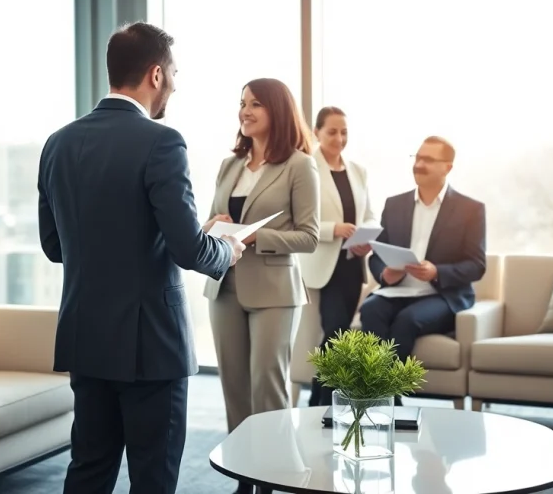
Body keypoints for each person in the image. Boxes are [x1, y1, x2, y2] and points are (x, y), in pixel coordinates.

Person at [38, 21, 246, 494]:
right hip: (150, 346)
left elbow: (55, 247)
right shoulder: (162, 142)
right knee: (153, 477)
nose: (175, 83)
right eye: (173, 72)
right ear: (155, 74)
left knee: (89, 469)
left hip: (86, 337)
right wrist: (227, 250)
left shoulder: (58, 143)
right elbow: (189, 248)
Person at [202, 78, 320, 494]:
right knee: (234, 385)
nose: (245, 111)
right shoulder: (229, 165)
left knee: (266, 384)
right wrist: (214, 228)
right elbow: (214, 219)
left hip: (273, 291)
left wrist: (254, 237)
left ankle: (271, 476)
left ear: (278, 111)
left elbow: (309, 236)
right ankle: (245, 476)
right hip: (224, 286)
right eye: (242, 104)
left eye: (255, 104)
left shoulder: (300, 165)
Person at [359, 135, 486, 404]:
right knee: (370, 310)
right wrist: (385, 273)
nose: (419, 164)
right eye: (417, 158)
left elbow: (477, 265)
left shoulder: (470, 209)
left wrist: (436, 271)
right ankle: (385, 400)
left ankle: (385, 399)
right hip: (397, 291)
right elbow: (376, 255)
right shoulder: (394, 204)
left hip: (442, 296)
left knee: (407, 320)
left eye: (428, 159)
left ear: (447, 167)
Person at [298, 106, 377, 406]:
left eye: (344, 132)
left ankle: (321, 400)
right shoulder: (307, 168)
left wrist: (364, 236)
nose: (339, 138)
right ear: (317, 132)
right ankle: (319, 401)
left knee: (339, 334)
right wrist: (335, 229)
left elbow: (369, 215)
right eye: (332, 131)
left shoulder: (358, 171)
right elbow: (298, 220)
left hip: (351, 264)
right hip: (320, 263)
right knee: (334, 331)